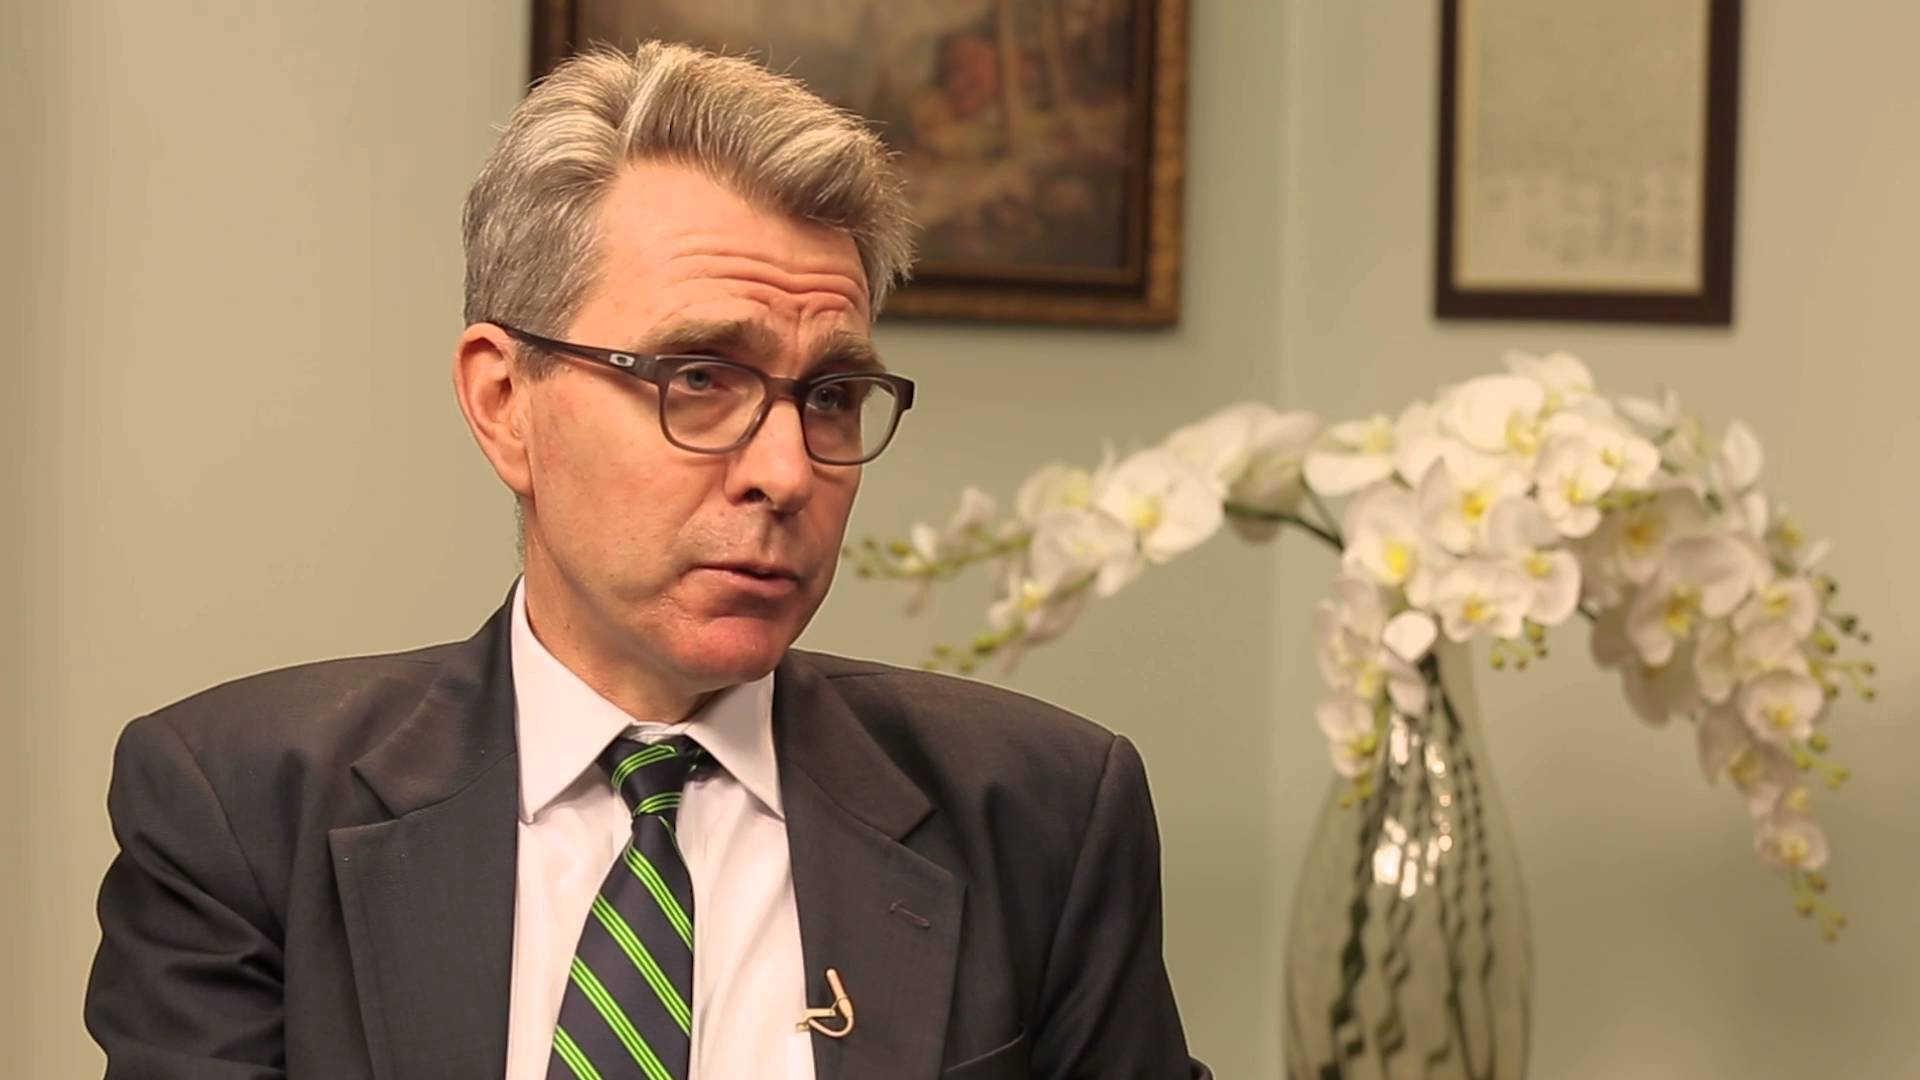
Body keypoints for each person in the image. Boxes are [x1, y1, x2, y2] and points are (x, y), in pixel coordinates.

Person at [84, 41, 1207, 1080]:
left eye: (830, 395)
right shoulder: (241, 810)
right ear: (504, 400)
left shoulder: (1040, 815)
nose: (786, 472)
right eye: (700, 378)